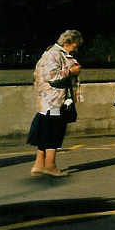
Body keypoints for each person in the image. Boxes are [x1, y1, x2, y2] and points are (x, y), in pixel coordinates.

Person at [28, 30, 83, 177]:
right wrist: (71, 71)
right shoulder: (55, 54)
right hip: (54, 100)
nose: (76, 49)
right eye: (75, 45)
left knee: (44, 132)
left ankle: (39, 164)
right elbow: (51, 76)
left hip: (47, 100)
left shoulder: (51, 53)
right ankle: (50, 166)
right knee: (54, 132)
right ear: (67, 43)